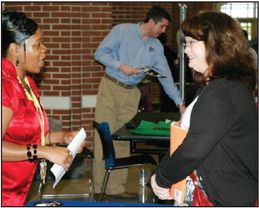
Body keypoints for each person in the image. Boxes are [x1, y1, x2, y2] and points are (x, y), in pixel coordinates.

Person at [151, 11, 257, 206]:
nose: (185, 50)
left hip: (225, 197)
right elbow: (190, 139)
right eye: (186, 43)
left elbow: (194, 149)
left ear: (217, 45)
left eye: (192, 43)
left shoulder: (222, 91)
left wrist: (161, 178)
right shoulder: (220, 86)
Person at [93, 6, 186, 197]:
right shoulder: (122, 31)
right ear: (151, 22)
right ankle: (98, 188)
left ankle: (116, 189)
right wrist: (121, 66)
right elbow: (99, 54)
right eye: (162, 27)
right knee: (104, 137)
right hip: (111, 87)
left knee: (122, 140)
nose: (163, 31)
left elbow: (165, 77)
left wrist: (180, 104)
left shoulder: (156, 47)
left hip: (131, 93)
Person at [1, 10, 87, 206]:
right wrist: (44, 151)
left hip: (17, 191)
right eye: (38, 45)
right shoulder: (5, 86)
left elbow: (26, 135)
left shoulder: (27, 83)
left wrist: (62, 137)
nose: (45, 49)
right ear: (15, 49)